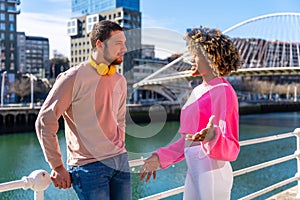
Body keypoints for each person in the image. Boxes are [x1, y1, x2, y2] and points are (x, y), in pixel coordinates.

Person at [138, 26, 241, 200]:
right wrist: (160, 157)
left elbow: (232, 145)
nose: (190, 59)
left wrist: (213, 136)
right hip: (195, 169)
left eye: (195, 54)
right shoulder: (198, 90)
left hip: (212, 170)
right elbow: (188, 140)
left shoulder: (224, 91)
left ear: (211, 58)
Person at [35, 20, 131, 200]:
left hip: (120, 161)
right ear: (100, 45)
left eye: (124, 43)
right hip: (89, 167)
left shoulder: (120, 80)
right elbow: (44, 122)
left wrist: (120, 148)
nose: (124, 49)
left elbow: (120, 119)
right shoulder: (72, 77)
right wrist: (57, 166)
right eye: (118, 43)